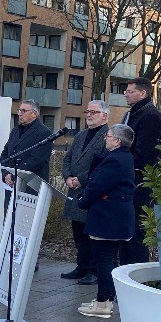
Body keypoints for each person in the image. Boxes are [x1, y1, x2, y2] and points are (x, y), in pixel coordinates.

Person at [77, 124, 136, 319]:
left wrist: (82, 201)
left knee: (104, 261)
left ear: (117, 141)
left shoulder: (115, 160)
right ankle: (105, 299)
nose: (105, 138)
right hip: (115, 217)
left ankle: (103, 303)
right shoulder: (123, 157)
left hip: (108, 218)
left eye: (108, 136)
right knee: (109, 260)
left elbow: (97, 186)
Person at [60, 100, 110, 285]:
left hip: (91, 191)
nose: (88, 115)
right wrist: (67, 177)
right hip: (74, 190)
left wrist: (80, 179)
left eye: (93, 112)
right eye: (87, 111)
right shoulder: (81, 135)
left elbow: (102, 164)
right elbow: (67, 159)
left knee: (91, 233)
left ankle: (93, 271)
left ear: (104, 116)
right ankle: (81, 267)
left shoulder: (108, 136)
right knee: (78, 231)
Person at [119, 77, 161, 265]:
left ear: (143, 93)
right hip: (126, 185)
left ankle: (137, 281)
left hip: (138, 188)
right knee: (125, 237)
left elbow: (145, 157)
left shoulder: (150, 117)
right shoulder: (132, 114)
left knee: (136, 238)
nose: (125, 95)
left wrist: (118, 164)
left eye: (129, 92)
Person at [0, 99, 52, 197]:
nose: (20, 114)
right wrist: (6, 174)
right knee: (9, 211)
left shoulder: (44, 133)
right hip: (11, 185)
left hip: (30, 187)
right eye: (19, 110)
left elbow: (36, 161)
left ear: (34, 114)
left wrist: (15, 176)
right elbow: (5, 154)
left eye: (23, 111)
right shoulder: (15, 130)